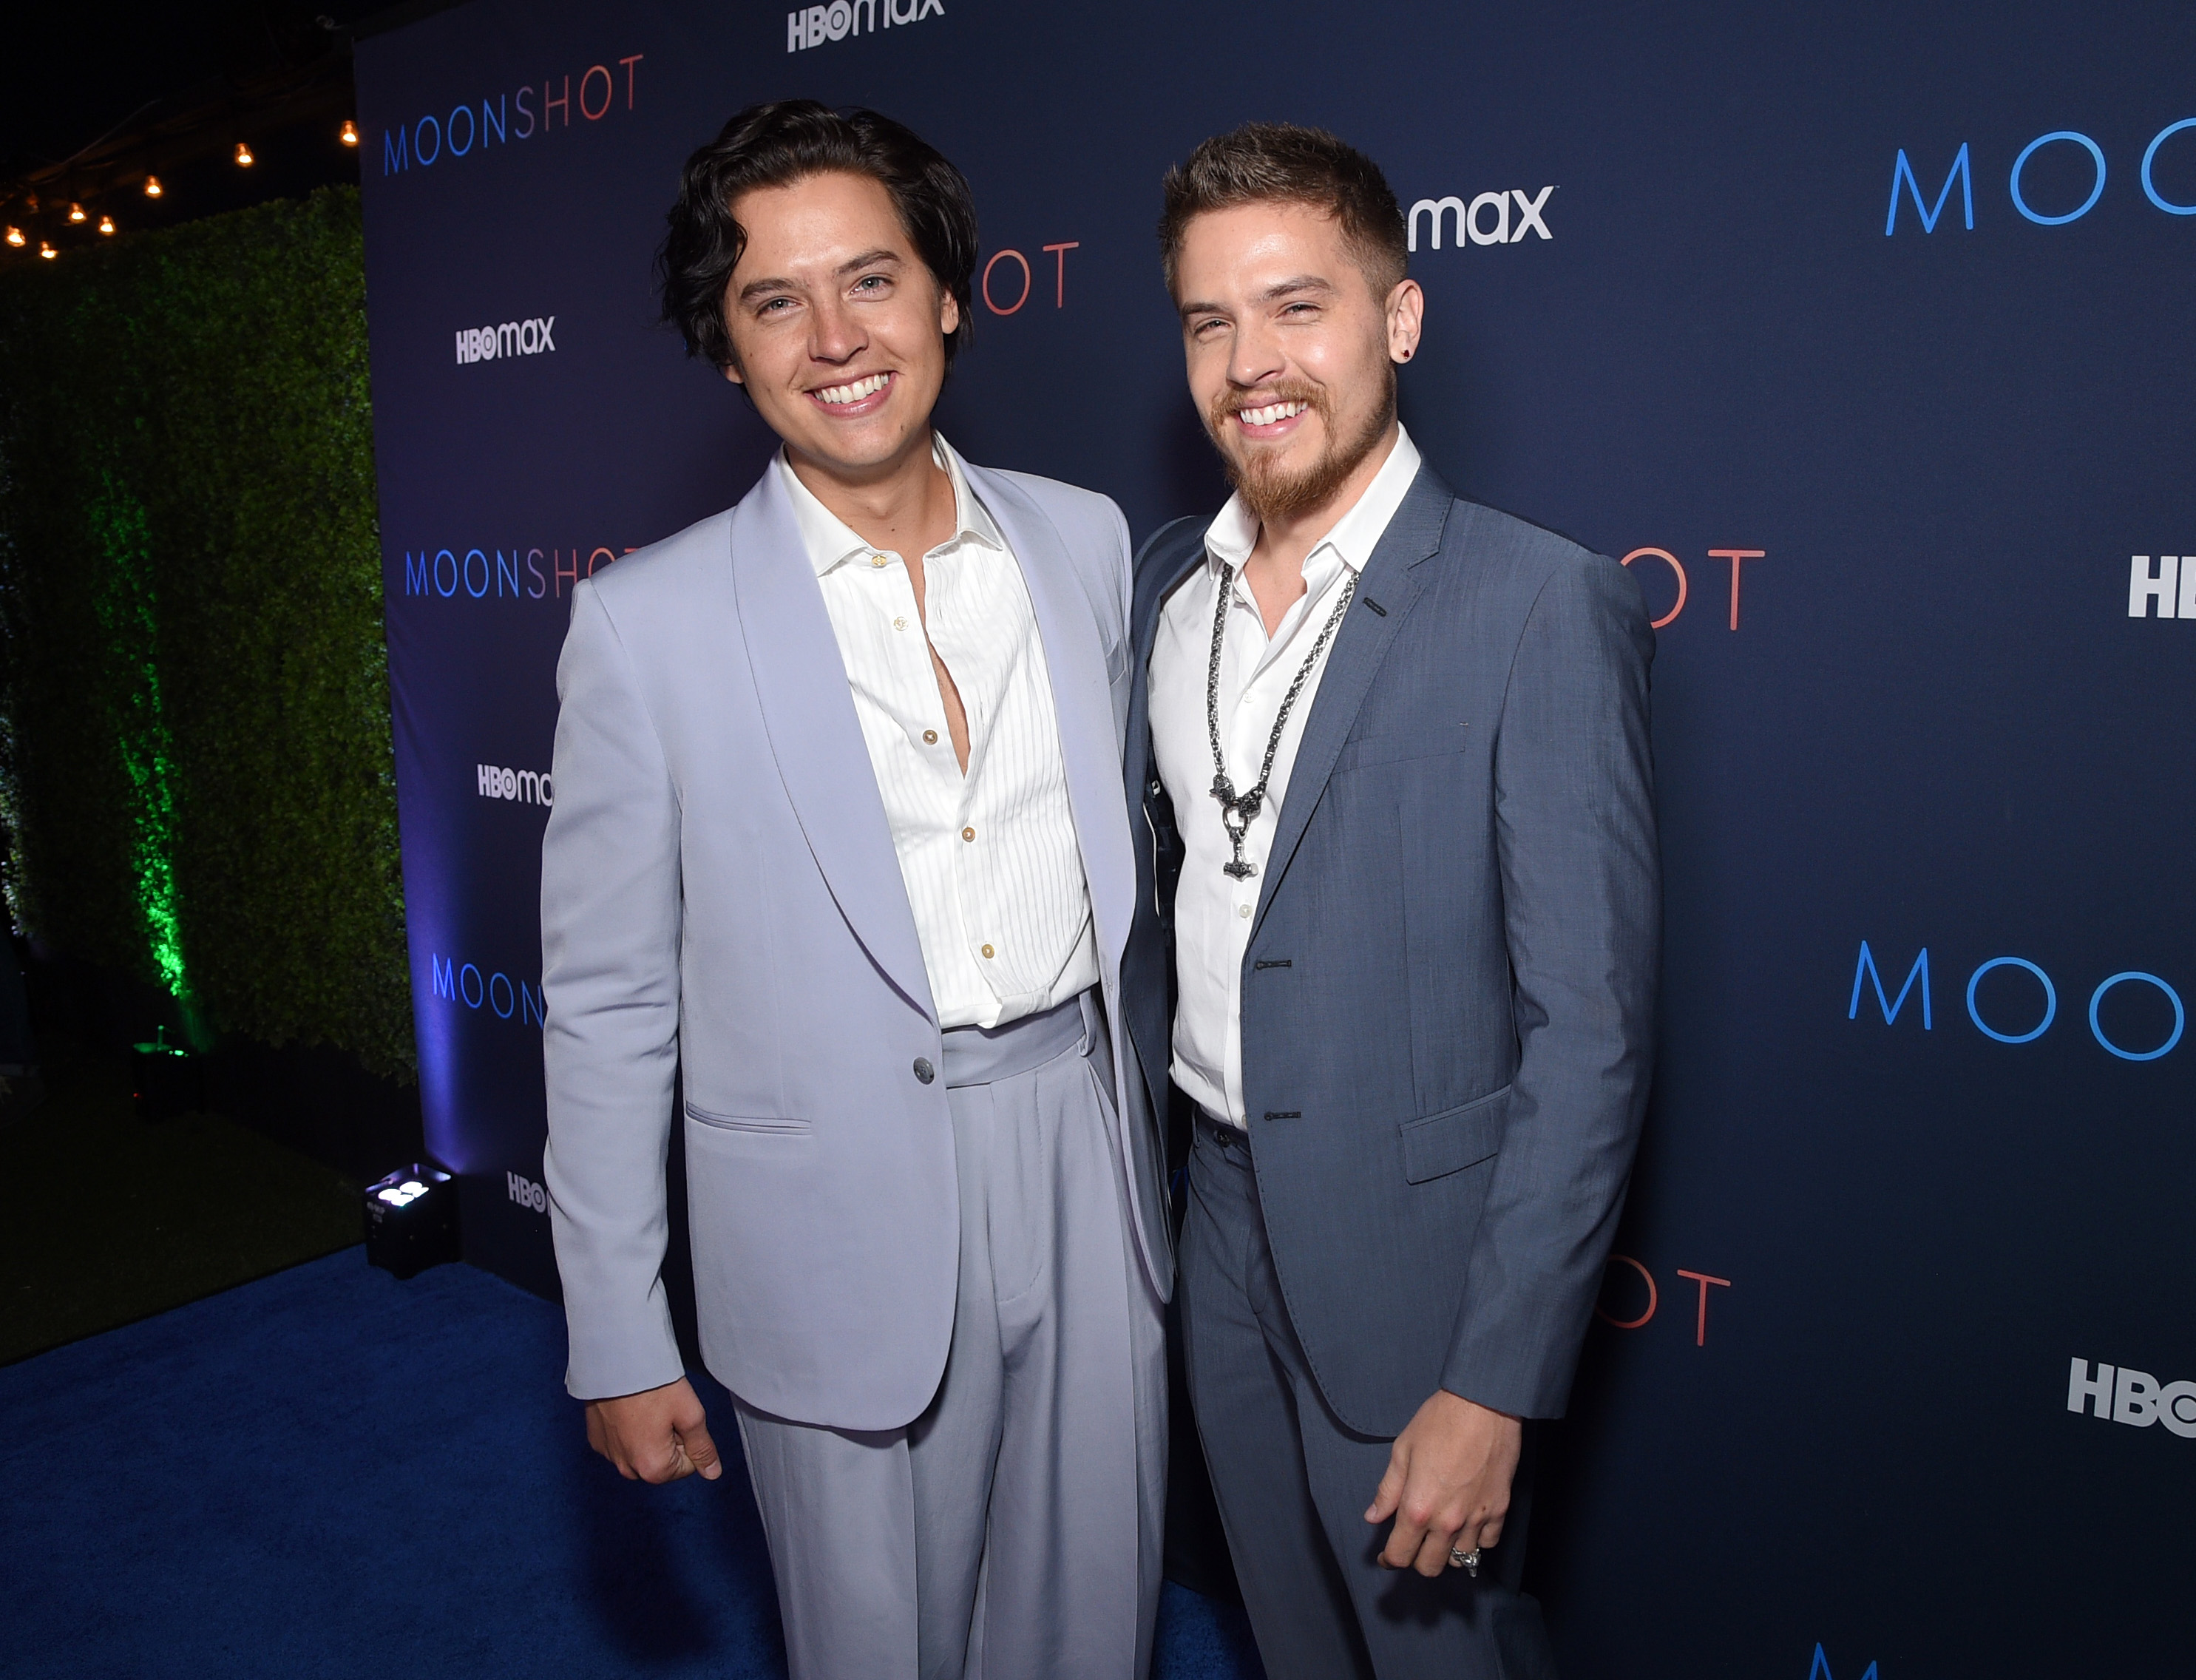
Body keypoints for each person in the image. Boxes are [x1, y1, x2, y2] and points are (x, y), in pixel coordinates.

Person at [540, 101, 1170, 1680]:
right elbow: (608, 1001)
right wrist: (615, 1326)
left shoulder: (1085, 543)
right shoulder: (646, 626)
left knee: (1096, 1620)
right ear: (729, 347)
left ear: (948, 292)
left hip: (1088, 1159)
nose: (836, 338)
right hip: (826, 1213)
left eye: (872, 280)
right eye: (776, 300)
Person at [1120, 122, 1659, 1679]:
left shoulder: (1537, 601)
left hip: (1423, 1260)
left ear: (1399, 318)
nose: (1250, 364)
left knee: (1441, 1658)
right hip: (1217, 1216)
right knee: (1289, 1635)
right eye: (1210, 321)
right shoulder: (1165, 585)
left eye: (1297, 306)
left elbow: (1591, 1033)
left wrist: (1494, 1378)